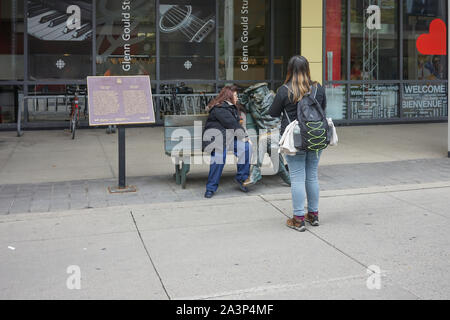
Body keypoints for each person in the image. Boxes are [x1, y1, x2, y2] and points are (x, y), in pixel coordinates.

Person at [269, 55, 327, 232]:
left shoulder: (284, 90)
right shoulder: (318, 89)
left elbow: (273, 113)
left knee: (297, 177)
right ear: (308, 69)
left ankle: (298, 218)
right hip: (316, 137)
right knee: (312, 176)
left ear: (289, 70)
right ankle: (314, 215)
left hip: (294, 140)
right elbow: (323, 110)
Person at [203, 85, 252, 198]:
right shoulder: (219, 108)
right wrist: (246, 137)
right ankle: (211, 187)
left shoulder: (232, 107)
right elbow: (232, 124)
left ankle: (242, 179)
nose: (237, 98)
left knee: (246, 148)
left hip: (230, 139)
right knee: (219, 157)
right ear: (229, 97)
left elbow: (238, 122)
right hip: (217, 139)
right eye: (235, 95)